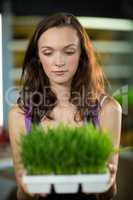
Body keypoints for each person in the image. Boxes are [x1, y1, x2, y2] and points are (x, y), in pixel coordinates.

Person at [8, 12, 122, 200]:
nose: (59, 62)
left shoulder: (107, 110)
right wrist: (26, 188)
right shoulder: (20, 114)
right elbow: (22, 195)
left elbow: (110, 192)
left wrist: (107, 182)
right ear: (37, 57)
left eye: (69, 52)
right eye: (48, 52)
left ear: (82, 55)